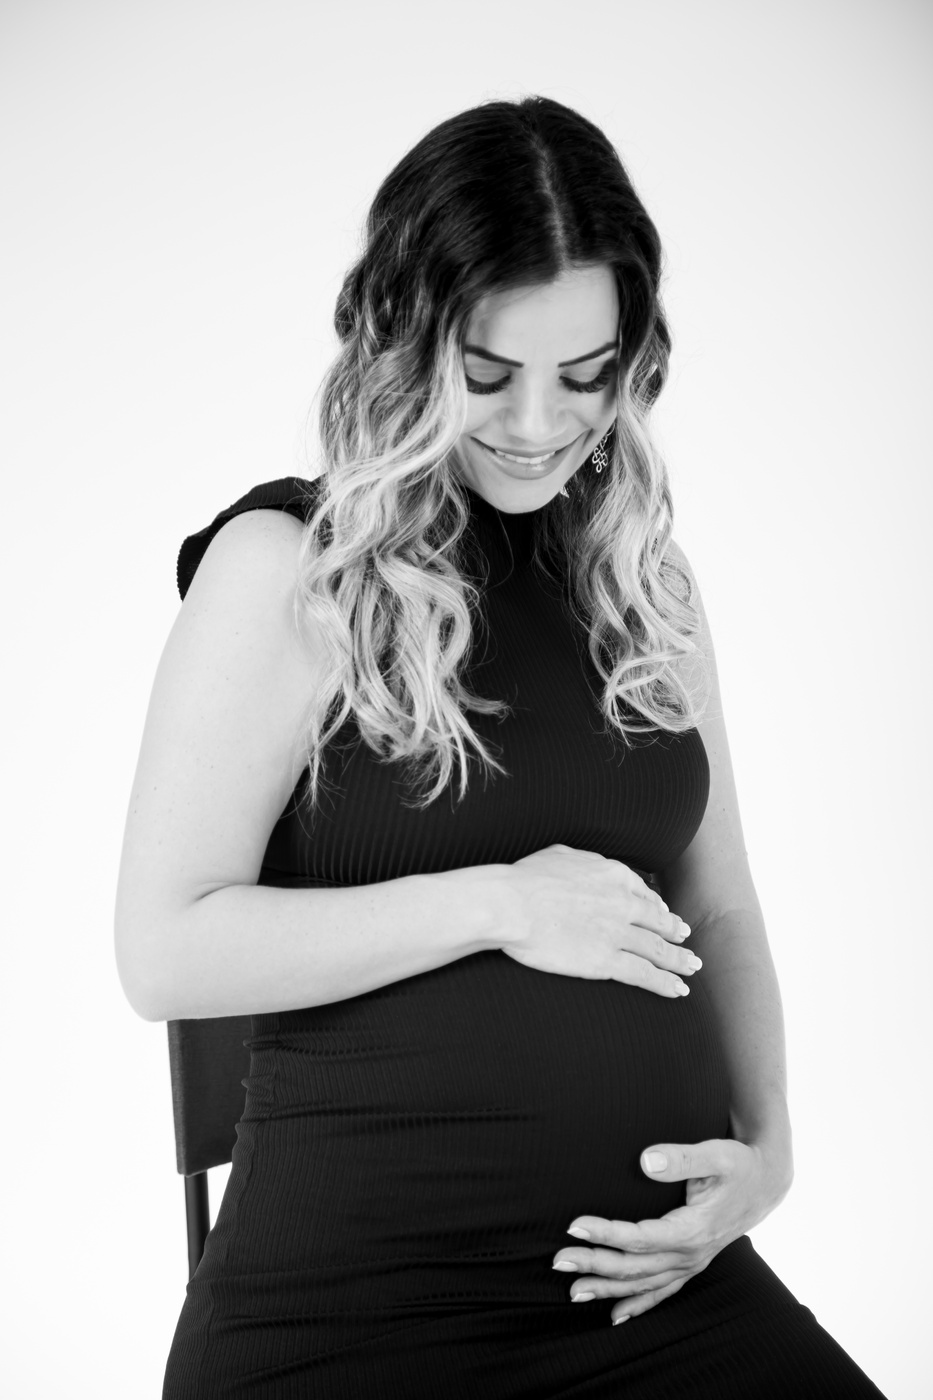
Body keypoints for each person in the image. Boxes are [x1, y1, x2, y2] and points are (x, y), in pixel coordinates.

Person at [115, 96, 886, 1398]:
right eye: (487, 373)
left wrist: (768, 1151)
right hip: (358, 1316)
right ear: (404, 340)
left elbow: (720, 901)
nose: (536, 423)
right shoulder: (290, 570)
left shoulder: (643, 581)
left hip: (656, 1291)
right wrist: (497, 904)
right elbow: (164, 950)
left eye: (583, 375)